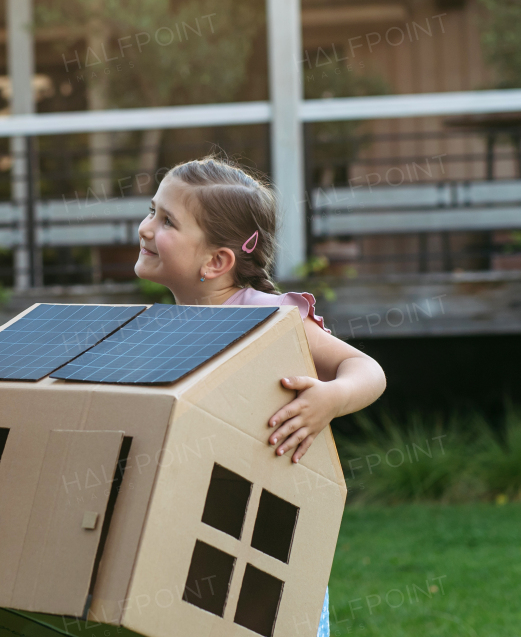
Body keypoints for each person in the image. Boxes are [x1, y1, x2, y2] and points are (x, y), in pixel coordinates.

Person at [134, 155, 387, 637]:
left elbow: (367, 369)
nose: (146, 228)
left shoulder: (266, 318)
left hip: (271, 538)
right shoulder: (164, 327)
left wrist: (330, 400)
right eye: (152, 210)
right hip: (202, 527)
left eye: (167, 220)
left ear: (216, 261)